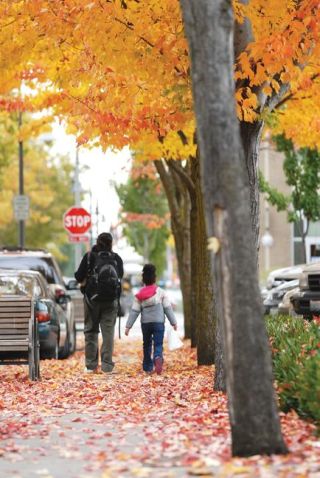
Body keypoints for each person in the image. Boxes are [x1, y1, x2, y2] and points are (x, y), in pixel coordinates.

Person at [75, 232, 123, 374]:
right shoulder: (116, 259)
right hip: (111, 301)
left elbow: (78, 277)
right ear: (111, 243)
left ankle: (91, 365)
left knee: (91, 330)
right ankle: (107, 365)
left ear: (97, 242)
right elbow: (120, 275)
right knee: (108, 332)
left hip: (92, 300)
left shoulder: (89, 257)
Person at [125, 263, 177, 375]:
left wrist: (128, 326)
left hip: (146, 324)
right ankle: (158, 357)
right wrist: (174, 322)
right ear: (155, 278)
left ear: (143, 279)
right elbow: (168, 308)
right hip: (158, 322)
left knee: (147, 344)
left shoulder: (139, 295)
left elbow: (134, 311)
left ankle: (148, 367)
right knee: (158, 344)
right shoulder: (161, 292)